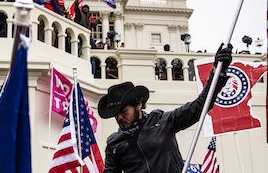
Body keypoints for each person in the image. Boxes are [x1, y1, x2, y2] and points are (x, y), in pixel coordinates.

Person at [98, 44, 233, 173]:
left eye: (123, 111)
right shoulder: (114, 143)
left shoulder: (163, 121)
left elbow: (200, 106)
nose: (119, 118)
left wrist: (218, 73)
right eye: (116, 114)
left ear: (138, 105)